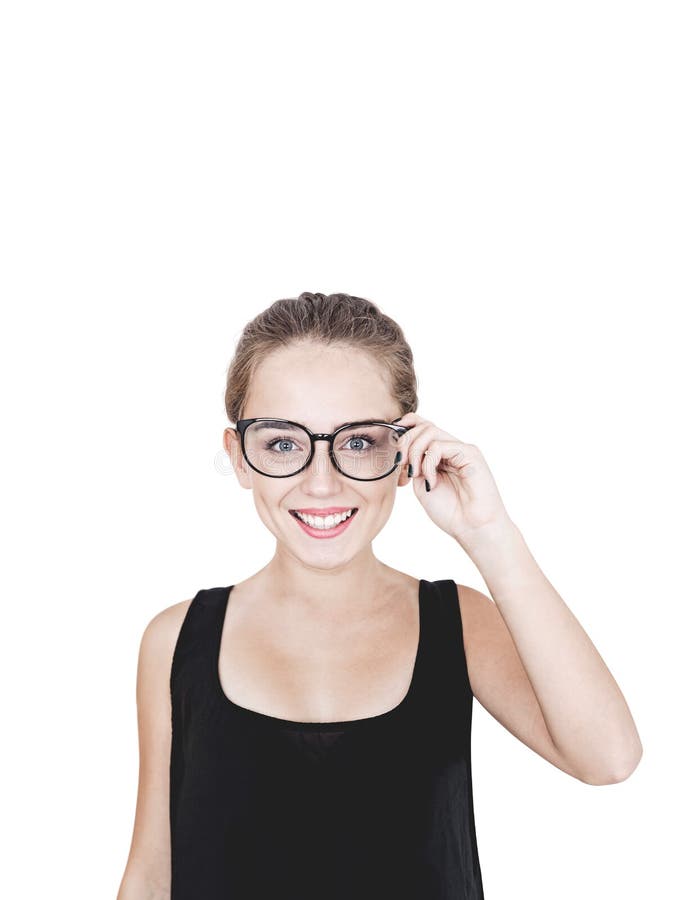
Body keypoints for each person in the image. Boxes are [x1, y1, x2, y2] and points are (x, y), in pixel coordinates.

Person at [117, 291, 643, 900]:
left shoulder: (459, 622)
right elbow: (152, 877)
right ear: (240, 457)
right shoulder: (176, 639)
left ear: (405, 451)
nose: (321, 483)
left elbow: (607, 759)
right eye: (283, 443)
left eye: (359, 442)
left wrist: (490, 534)